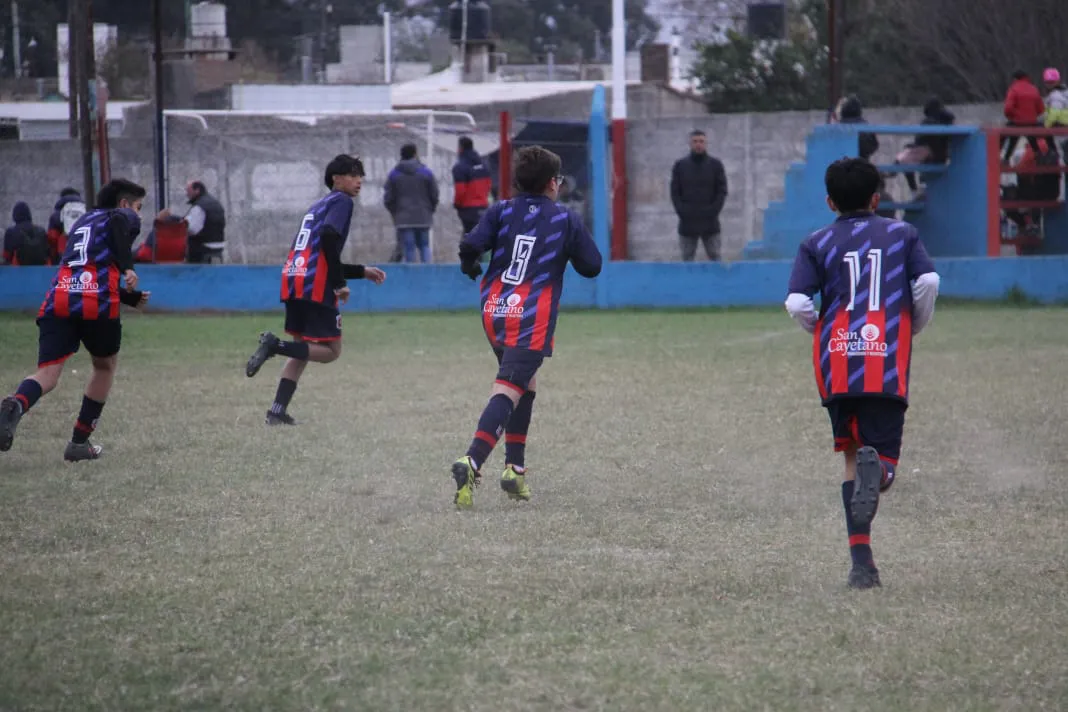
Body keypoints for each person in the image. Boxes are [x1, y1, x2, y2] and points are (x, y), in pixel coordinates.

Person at [784, 157, 940, 590]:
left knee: (853, 455)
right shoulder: (901, 234)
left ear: (830, 201)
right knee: (880, 462)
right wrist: (914, 324)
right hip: (884, 360)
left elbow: (797, 302)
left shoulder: (816, 242)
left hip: (837, 363)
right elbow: (928, 282)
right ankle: (884, 474)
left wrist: (823, 329)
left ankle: (862, 565)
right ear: (877, 198)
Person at [450, 145, 602, 509]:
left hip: (495, 308)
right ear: (553, 183)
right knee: (508, 387)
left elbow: (470, 244)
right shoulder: (564, 218)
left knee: (523, 384)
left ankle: (514, 470)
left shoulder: (500, 210)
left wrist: (470, 266)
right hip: (531, 314)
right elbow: (592, 265)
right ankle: (471, 460)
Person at [0, 179, 151, 461]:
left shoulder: (83, 221)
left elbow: (87, 266)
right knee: (104, 366)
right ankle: (79, 442)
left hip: (59, 297)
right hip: (97, 303)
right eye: (138, 207)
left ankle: (15, 405)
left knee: (47, 374)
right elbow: (120, 224)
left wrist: (127, 297)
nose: (138, 215)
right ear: (123, 204)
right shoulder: (119, 216)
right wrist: (128, 267)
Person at [244, 155, 387, 425]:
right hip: (315, 285)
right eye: (353, 174)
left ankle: (276, 411)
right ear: (336, 178)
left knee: (303, 349)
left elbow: (318, 252)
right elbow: (330, 238)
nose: (359, 181)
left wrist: (360, 271)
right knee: (331, 351)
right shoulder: (342, 202)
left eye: (361, 176)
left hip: (294, 277)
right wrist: (339, 284)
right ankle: (275, 345)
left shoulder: (319, 205)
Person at [670, 129, 728, 261]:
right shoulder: (680, 166)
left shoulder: (715, 165)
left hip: (710, 222)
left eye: (701, 141)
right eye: (695, 141)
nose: (698, 144)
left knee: (715, 259)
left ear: (706, 143)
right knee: (687, 260)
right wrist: (683, 211)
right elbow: (674, 193)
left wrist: (713, 211)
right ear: (690, 144)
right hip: (687, 222)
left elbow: (722, 191)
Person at [384, 143, 439, 263]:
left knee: (409, 248)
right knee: (424, 246)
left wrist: (395, 212)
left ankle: (412, 277)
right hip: (423, 215)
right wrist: (430, 209)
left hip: (403, 218)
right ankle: (427, 274)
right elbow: (434, 194)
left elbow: (388, 198)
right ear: (415, 154)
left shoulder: (394, 174)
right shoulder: (426, 172)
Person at [894, 98, 956, 198]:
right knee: (908, 154)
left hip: (931, 155)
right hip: (941, 156)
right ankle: (914, 183)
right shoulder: (947, 120)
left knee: (904, 158)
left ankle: (913, 188)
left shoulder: (929, 121)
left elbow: (920, 140)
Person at [160, 180, 226, 264]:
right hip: (219, 244)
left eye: (188, 191)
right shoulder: (215, 202)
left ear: (197, 190)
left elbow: (192, 229)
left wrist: (177, 223)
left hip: (203, 247)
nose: (187, 194)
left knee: (186, 243)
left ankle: (190, 272)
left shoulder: (199, 206)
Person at [452, 135, 492, 238]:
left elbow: (460, 191)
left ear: (460, 148)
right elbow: (488, 185)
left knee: (469, 238)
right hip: (483, 206)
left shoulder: (460, 167)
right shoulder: (484, 165)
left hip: (468, 209)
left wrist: (457, 204)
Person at [1002, 70, 1045, 162]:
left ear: (1015, 79)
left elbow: (1008, 108)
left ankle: (1005, 160)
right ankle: (1041, 160)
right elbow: (1041, 109)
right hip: (1032, 123)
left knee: (1011, 140)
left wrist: (1013, 116)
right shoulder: (1034, 89)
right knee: (1033, 142)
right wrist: (1032, 115)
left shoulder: (1013, 89)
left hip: (1017, 123)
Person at [47, 187, 86, 264]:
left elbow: (52, 237)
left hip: (63, 251)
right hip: (82, 250)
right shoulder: (85, 212)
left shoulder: (57, 215)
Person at [834, 95, 879, 161]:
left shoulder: (837, 127)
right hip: (861, 165)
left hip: (841, 165)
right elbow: (874, 145)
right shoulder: (866, 126)